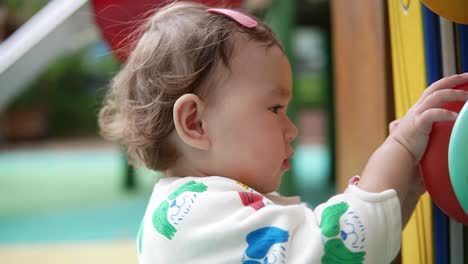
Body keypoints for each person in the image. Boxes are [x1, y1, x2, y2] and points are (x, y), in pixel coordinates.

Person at [98, 2, 468, 263]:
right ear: (195, 123)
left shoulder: (197, 204)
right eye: (275, 108)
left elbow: (357, 250)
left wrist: (404, 186)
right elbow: (336, 247)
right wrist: (399, 147)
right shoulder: (198, 214)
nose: (291, 129)